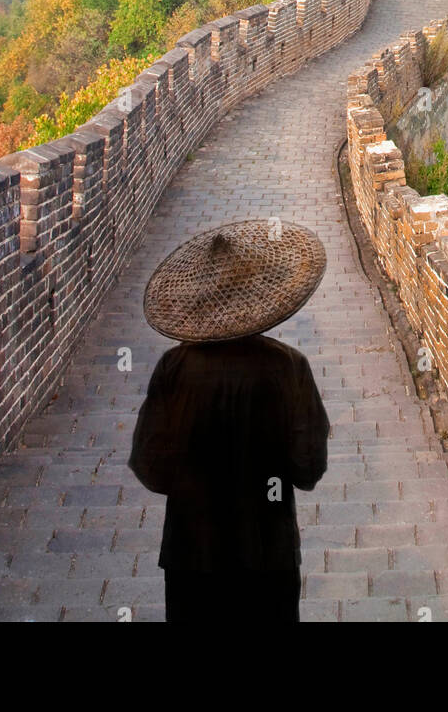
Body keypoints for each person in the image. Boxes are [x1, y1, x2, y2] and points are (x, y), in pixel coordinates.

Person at [129, 221, 330, 624]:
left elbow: (151, 467)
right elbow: (308, 469)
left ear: (201, 301)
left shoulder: (174, 368)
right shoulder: (289, 368)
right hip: (267, 556)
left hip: (192, 558)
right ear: (261, 293)